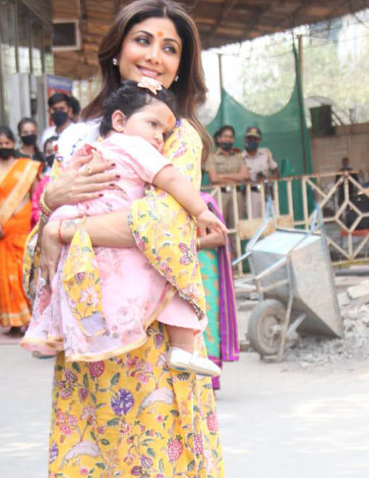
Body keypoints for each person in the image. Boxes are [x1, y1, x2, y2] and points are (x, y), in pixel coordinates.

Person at [35, 0, 241, 478]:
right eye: (142, 41)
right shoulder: (84, 133)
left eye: (170, 48)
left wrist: (64, 217)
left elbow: (164, 226)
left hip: (154, 362)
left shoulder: (173, 134)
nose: (154, 56)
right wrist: (53, 206)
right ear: (116, 51)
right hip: (90, 362)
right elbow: (40, 232)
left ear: (183, 66)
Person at [24, 80, 224, 377]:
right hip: (114, 229)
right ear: (119, 120)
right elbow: (172, 180)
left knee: (74, 284)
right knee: (169, 275)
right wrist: (200, 211)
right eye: (153, 124)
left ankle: (53, 331)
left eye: (164, 132)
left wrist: (55, 224)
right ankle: (183, 348)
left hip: (82, 230)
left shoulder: (88, 147)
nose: (158, 137)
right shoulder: (135, 147)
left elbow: (65, 191)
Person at [0, 126, 41, 335]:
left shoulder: (27, 167)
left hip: (23, 231)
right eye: (0, 144)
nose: (4, 147)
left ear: (14, 144)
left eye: (7, 143)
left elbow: (37, 197)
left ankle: (29, 319)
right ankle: (13, 320)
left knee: (25, 272)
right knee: (3, 274)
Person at [196, 193, 240, 391]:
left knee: (209, 321)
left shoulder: (203, 200)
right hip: (185, 268)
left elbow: (220, 237)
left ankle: (210, 378)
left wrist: (193, 244)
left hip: (206, 268)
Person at [204, 124, 250, 227]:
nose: (228, 139)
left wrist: (222, 176)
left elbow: (244, 176)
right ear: (219, 139)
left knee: (237, 229)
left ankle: (235, 244)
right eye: (225, 136)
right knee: (218, 228)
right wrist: (236, 176)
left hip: (236, 195)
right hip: (220, 195)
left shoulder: (238, 157)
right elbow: (214, 178)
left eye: (231, 137)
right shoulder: (212, 157)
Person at [242, 125, 279, 219]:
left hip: (267, 191)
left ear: (259, 140)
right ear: (245, 139)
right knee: (254, 222)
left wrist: (267, 179)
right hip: (252, 193)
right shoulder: (241, 157)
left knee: (272, 220)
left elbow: (276, 174)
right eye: (249, 138)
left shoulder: (266, 153)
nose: (251, 141)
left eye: (255, 139)